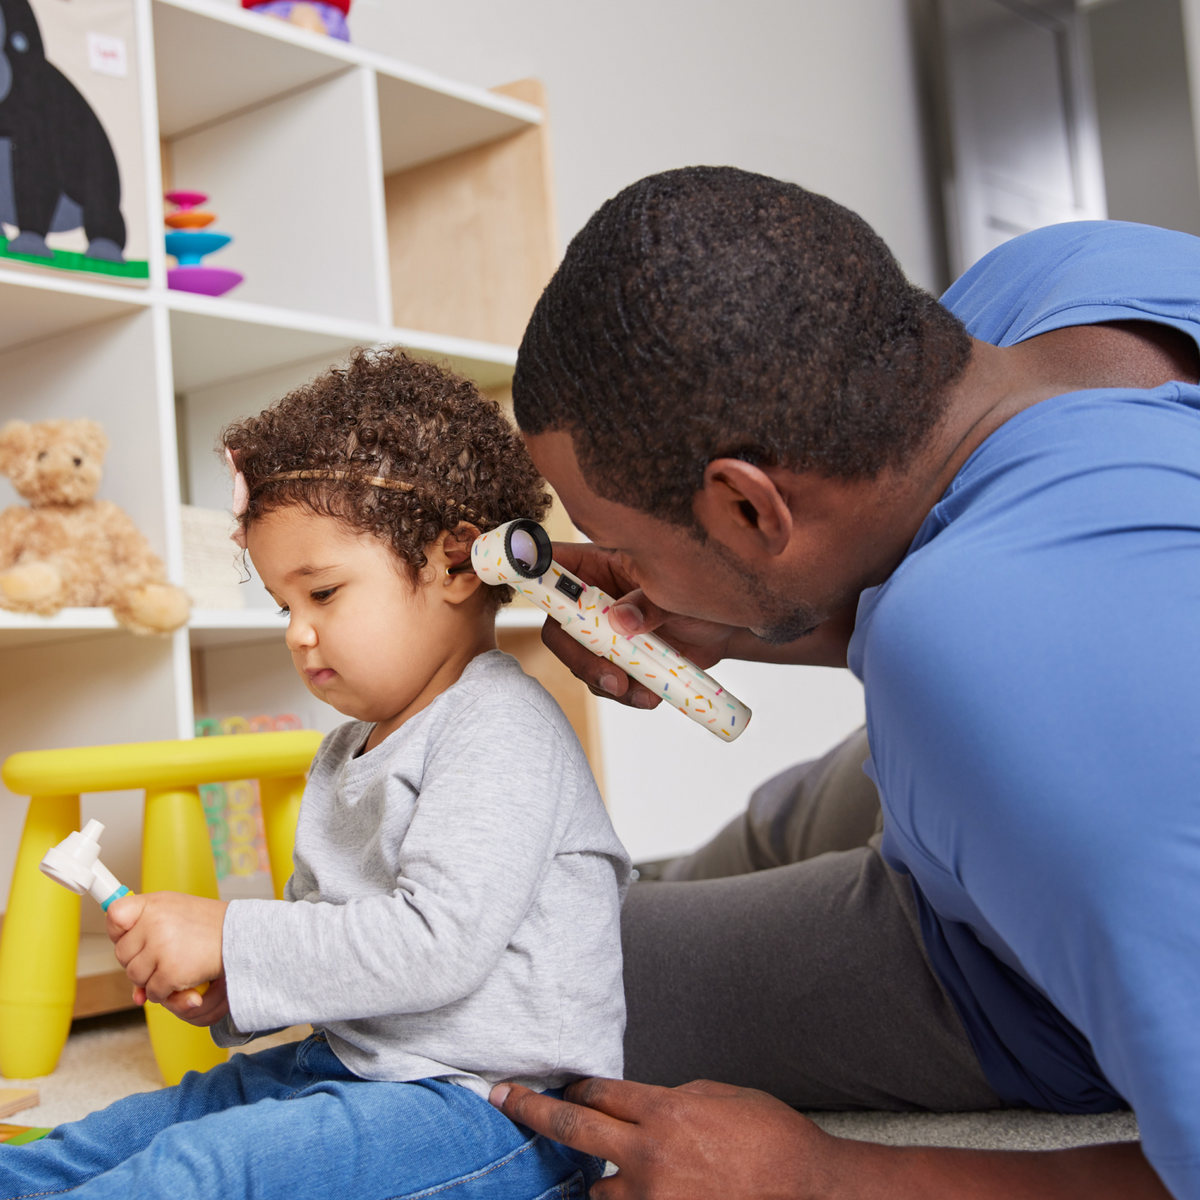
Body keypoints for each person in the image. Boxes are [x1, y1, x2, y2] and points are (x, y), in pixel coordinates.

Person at [485, 167, 1200, 1200]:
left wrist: (825, 1177)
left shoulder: (996, 665)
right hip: (1089, 744)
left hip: (1029, 949)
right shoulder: (1063, 276)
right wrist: (731, 611)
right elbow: (941, 540)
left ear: (746, 507)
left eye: (627, 542)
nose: (622, 573)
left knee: (521, 971)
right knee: (741, 839)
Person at [0, 348, 630, 1200]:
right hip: (354, 1066)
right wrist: (228, 991)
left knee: (205, 1170)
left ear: (453, 564)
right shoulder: (345, 752)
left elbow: (434, 947)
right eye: (281, 605)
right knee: (122, 1134)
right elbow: (332, 951)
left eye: (323, 594)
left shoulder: (501, 727)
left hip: (492, 1111)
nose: (296, 633)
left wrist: (231, 934)